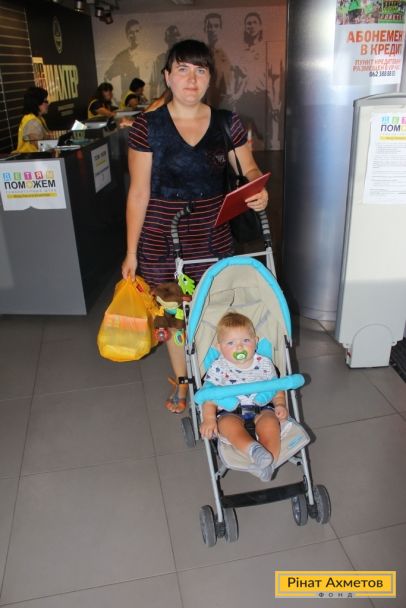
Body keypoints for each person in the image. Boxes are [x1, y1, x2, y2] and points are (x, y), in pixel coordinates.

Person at [121, 39, 268, 414]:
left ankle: (218, 375)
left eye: (200, 70)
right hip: (161, 237)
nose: (191, 79)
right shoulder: (147, 127)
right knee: (174, 318)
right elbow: (138, 192)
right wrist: (131, 252)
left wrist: (258, 189)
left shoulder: (227, 122)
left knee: (214, 309)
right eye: (183, 69)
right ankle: (184, 380)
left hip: (212, 233)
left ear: (210, 78)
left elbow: (249, 169)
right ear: (168, 77)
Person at [199, 312, 288, 481]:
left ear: (256, 341)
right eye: (231, 343)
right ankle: (254, 450)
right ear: (220, 347)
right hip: (230, 412)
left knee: (271, 425)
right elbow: (210, 395)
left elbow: (276, 387)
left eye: (246, 340)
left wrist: (280, 404)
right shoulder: (218, 367)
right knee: (228, 426)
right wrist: (209, 418)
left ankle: (269, 465)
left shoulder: (264, 363)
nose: (239, 347)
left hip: (262, 408)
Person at [104, 19, 142, 100]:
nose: (134, 35)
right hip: (128, 103)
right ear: (127, 35)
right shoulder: (121, 57)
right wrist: (115, 100)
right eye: (131, 32)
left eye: (137, 31)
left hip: (145, 103)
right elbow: (107, 76)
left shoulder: (153, 57)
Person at [204, 12, 233, 108]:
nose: (213, 29)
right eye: (210, 26)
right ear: (205, 29)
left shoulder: (229, 53)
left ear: (221, 29)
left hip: (225, 101)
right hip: (205, 102)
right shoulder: (201, 54)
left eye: (216, 26)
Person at [149, 25, 181, 100]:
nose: (175, 38)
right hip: (164, 98)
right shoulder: (159, 59)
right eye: (172, 36)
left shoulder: (184, 60)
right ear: (166, 39)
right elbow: (153, 83)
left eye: (176, 35)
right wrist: (153, 100)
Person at [16, 87, 50, 153]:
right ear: (36, 103)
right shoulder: (32, 122)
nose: (47, 104)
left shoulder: (35, 118)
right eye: (45, 101)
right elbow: (39, 145)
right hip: (32, 157)